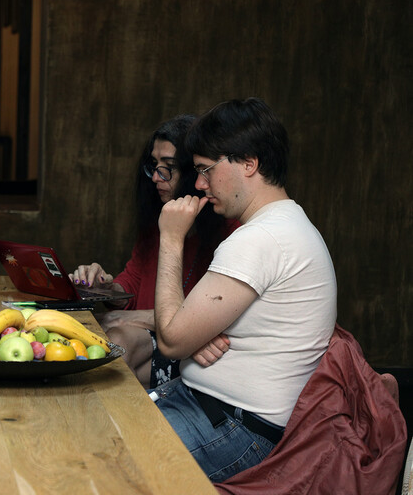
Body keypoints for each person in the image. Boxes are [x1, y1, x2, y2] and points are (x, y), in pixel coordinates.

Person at [150, 98, 337, 482]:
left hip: (235, 430)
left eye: (205, 170)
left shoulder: (261, 238)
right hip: (210, 411)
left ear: (249, 163)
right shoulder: (286, 224)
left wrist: (170, 238)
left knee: (94, 461)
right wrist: (193, 337)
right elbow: (186, 333)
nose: (199, 184)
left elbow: (170, 340)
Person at [69, 115, 234, 388]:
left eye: (168, 167)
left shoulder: (228, 230)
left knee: (115, 339)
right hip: (154, 338)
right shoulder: (160, 217)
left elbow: (214, 316)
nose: (157, 177)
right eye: (154, 166)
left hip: (193, 351)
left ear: (194, 171)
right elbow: (133, 280)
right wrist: (106, 288)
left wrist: (137, 317)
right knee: (102, 337)